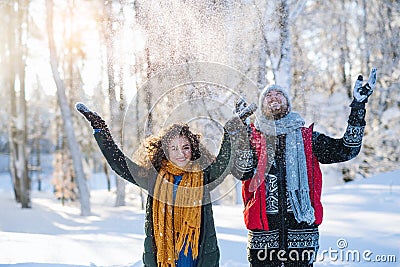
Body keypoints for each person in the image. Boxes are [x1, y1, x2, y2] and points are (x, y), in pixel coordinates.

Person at [76, 103, 256, 267]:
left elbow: (223, 161)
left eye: (185, 147)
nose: (181, 153)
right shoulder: (153, 178)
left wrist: (233, 127)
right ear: (165, 151)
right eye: (174, 148)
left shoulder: (203, 176)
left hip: (197, 258)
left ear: (193, 149)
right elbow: (120, 165)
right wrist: (101, 130)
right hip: (162, 258)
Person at [237, 68, 377, 267]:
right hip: (263, 237)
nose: (273, 97)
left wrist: (358, 107)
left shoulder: (308, 139)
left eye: (279, 94)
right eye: (268, 95)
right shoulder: (253, 139)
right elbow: (242, 171)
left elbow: (347, 149)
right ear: (261, 105)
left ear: (287, 103)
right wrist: (240, 130)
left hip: (301, 236)